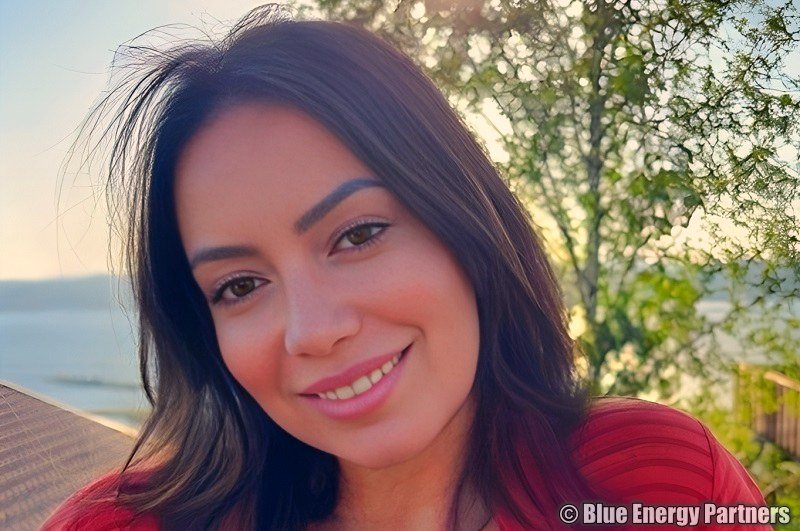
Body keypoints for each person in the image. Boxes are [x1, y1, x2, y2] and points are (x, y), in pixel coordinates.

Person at [45, 5, 769, 530]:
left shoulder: (659, 483)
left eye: (358, 235)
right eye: (239, 286)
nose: (313, 330)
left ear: (464, 224)